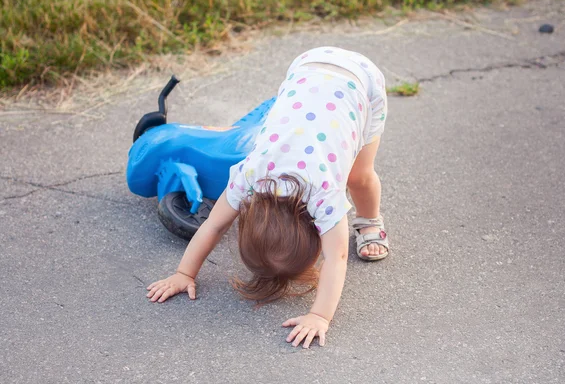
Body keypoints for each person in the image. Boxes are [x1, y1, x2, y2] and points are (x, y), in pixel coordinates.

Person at [146, 46, 390, 348]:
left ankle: (369, 221)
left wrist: (320, 316)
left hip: (360, 85)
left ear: (317, 229)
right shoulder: (249, 177)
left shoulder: (323, 195)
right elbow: (213, 226)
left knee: (359, 176)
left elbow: (337, 256)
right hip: (306, 68)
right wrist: (184, 273)